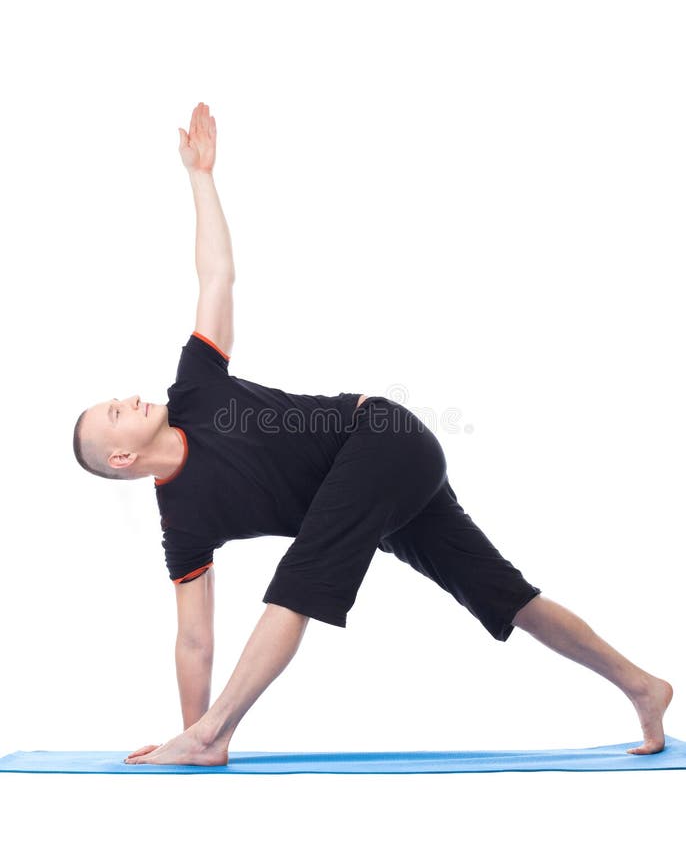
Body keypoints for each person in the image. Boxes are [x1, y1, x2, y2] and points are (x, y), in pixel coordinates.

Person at [73, 102, 672, 767]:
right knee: (504, 596)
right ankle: (643, 687)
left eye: (118, 400)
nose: (128, 399)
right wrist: (183, 734)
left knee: (301, 573)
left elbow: (216, 277)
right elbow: (194, 638)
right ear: (122, 458)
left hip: (381, 437)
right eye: (115, 413)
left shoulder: (196, 388)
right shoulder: (181, 521)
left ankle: (215, 733)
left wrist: (201, 177)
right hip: (376, 495)